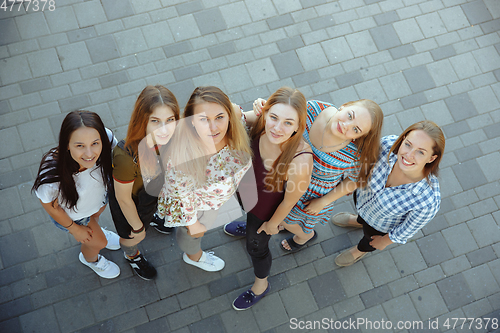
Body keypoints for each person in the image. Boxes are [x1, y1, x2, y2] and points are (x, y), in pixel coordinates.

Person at [225, 99, 384, 254]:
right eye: (350, 115)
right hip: (284, 176)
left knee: (288, 221)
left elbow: (357, 179)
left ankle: (304, 237)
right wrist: (262, 111)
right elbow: (286, 120)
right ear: (344, 106)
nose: (346, 125)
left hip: (311, 194)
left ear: (359, 136)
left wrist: (324, 201)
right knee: (269, 212)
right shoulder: (312, 109)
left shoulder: (355, 153)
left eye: (356, 129)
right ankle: (258, 226)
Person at [231, 87, 313, 310]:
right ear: (265, 113)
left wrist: (272, 225)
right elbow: (228, 115)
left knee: (256, 247)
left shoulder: (300, 160)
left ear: (298, 126)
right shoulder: (259, 122)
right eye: (274, 117)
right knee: (247, 216)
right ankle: (248, 225)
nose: (277, 128)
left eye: (288, 122)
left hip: (266, 209)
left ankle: (261, 286)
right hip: (248, 189)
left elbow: (288, 201)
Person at [156, 86, 252, 272]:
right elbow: (183, 198)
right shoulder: (183, 159)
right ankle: (194, 257)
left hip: (214, 199)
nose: (214, 127)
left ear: (229, 114)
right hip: (194, 208)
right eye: (203, 120)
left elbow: (247, 116)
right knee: (190, 235)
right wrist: (193, 224)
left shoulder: (236, 124)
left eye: (219, 117)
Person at [333, 120, 444, 266]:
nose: (409, 155)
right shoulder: (387, 145)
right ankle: (358, 221)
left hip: (379, 226)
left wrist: (385, 241)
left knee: (369, 240)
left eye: (420, 152)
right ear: (402, 140)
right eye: (408, 144)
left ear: (431, 158)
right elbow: (365, 164)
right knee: (362, 217)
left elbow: (408, 228)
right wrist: (351, 182)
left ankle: (359, 251)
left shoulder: (427, 200)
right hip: (362, 199)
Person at [32, 111, 121, 279]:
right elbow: (51, 208)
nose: (89, 154)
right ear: (66, 144)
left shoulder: (107, 138)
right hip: (76, 217)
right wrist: (75, 229)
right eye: (80, 146)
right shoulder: (51, 176)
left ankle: (96, 230)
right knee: (99, 242)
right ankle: (90, 259)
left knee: (95, 219)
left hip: (98, 200)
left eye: (95, 143)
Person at [108, 85, 180, 280]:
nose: (164, 129)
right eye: (155, 121)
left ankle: (152, 219)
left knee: (148, 214)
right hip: (131, 206)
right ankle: (132, 255)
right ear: (143, 120)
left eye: (170, 120)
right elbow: (123, 199)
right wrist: (138, 229)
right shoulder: (125, 155)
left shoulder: (170, 141)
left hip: (150, 198)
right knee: (130, 237)